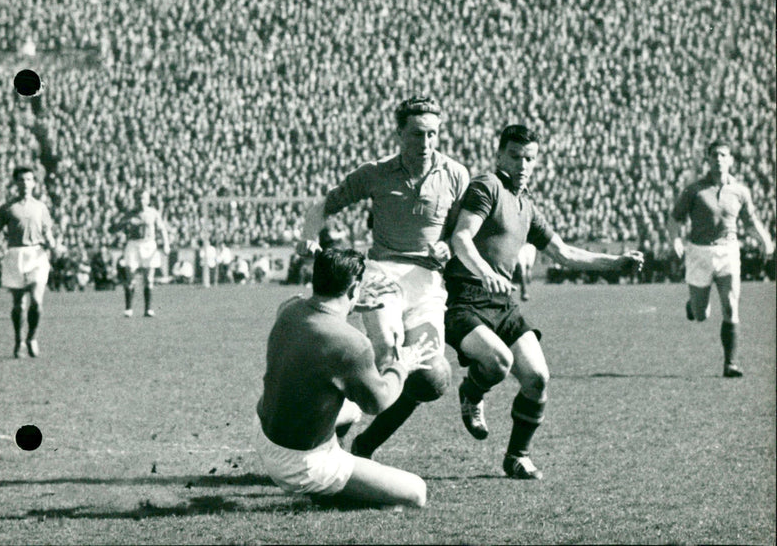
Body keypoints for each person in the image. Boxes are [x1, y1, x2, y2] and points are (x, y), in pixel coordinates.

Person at [444, 125, 644, 480]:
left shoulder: (527, 207)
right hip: (466, 299)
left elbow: (563, 253)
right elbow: (461, 237)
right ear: (500, 155)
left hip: (502, 303)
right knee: (498, 363)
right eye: (515, 156)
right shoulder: (487, 186)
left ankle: (517, 456)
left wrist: (614, 263)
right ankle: (472, 392)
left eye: (530, 158)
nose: (522, 164)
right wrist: (483, 270)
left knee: (537, 377)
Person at [298, 96, 470, 459]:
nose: (425, 144)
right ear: (399, 134)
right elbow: (322, 206)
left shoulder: (455, 174)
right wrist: (309, 236)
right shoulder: (374, 173)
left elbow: (463, 229)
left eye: (433, 135)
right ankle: (328, 435)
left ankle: (362, 442)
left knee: (429, 376)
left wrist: (448, 247)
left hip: (427, 283)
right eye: (417, 135)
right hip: (381, 275)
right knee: (383, 357)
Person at [255, 248, 435, 507]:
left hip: (264, 433)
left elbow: (318, 314)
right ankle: (327, 491)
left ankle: (332, 460)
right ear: (354, 289)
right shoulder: (352, 343)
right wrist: (402, 366)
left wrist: (348, 307)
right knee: (416, 493)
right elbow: (378, 402)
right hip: (299, 465)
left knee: (351, 410)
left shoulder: (289, 308)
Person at [667, 139, 774, 378]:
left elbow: (750, 222)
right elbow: (675, 219)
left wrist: (765, 240)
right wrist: (675, 240)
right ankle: (693, 306)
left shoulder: (740, 191)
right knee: (701, 314)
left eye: (723, 155)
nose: (719, 159)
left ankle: (731, 364)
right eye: (714, 155)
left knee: (730, 306)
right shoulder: (693, 190)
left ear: (731, 160)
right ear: (707, 159)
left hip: (728, 252)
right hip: (699, 254)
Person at [0, 165, 57, 358]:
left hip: (36, 255)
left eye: (29, 180)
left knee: (36, 301)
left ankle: (32, 338)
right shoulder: (7, 208)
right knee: (19, 304)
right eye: (21, 180)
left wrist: (51, 242)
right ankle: (19, 340)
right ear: (15, 183)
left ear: (34, 183)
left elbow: (48, 231)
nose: (25, 183)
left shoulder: (40, 207)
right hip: (15, 255)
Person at [111, 188, 170, 317]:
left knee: (149, 278)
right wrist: (125, 222)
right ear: (135, 200)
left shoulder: (153, 213)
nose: (141, 201)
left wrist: (166, 244)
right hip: (133, 244)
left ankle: (148, 309)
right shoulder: (129, 214)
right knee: (130, 277)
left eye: (143, 198)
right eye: (138, 198)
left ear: (148, 200)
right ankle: (128, 309)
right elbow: (114, 229)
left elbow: (162, 229)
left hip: (149, 243)